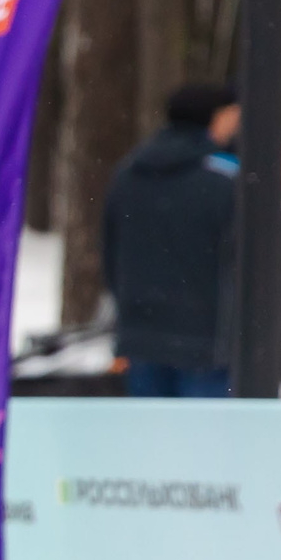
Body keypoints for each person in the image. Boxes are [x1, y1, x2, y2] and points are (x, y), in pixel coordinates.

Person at [101, 83, 241, 398]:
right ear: (214, 119)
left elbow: (110, 254)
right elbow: (242, 262)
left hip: (140, 335)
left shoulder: (128, 174)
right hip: (205, 342)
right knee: (202, 442)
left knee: (150, 440)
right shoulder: (225, 179)